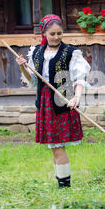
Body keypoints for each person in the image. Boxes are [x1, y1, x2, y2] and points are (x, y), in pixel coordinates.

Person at [16, 14, 91, 188]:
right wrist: (22, 66)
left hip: (62, 101)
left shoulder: (71, 53)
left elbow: (79, 79)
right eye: (52, 34)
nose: (56, 37)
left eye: (59, 33)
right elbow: (33, 80)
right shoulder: (36, 52)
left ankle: (64, 187)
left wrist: (76, 98)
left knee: (58, 147)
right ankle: (61, 183)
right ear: (44, 34)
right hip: (44, 102)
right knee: (54, 146)